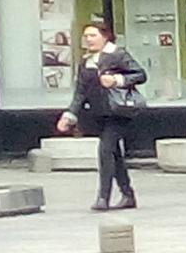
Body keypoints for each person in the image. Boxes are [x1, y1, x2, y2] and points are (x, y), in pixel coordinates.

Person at [58, 14, 147, 212]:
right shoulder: (86, 61)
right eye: (86, 36)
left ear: (105, 36)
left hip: (119, 111)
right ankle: (128, 194)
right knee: (114, 153)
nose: (88, 39)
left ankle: (103, 197)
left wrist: (117, 80)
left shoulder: (117, 54)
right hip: (99, 113)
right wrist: (69, 115)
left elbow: (140, 74)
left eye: (92, 35)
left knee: (105, 150)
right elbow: (80, 92)